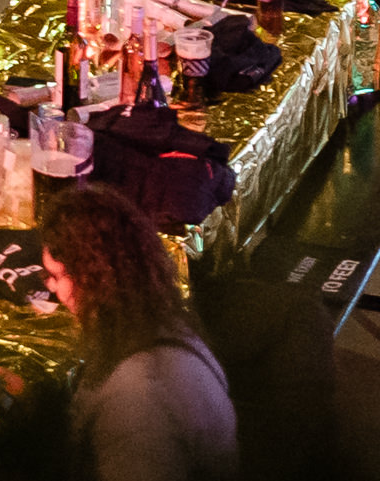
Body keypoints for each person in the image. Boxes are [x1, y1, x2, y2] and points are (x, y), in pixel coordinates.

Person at [45, 178, 239, 481]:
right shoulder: (164, 324)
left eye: (56, 276)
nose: (51, 287)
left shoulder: (138, 401)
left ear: (91, 277)